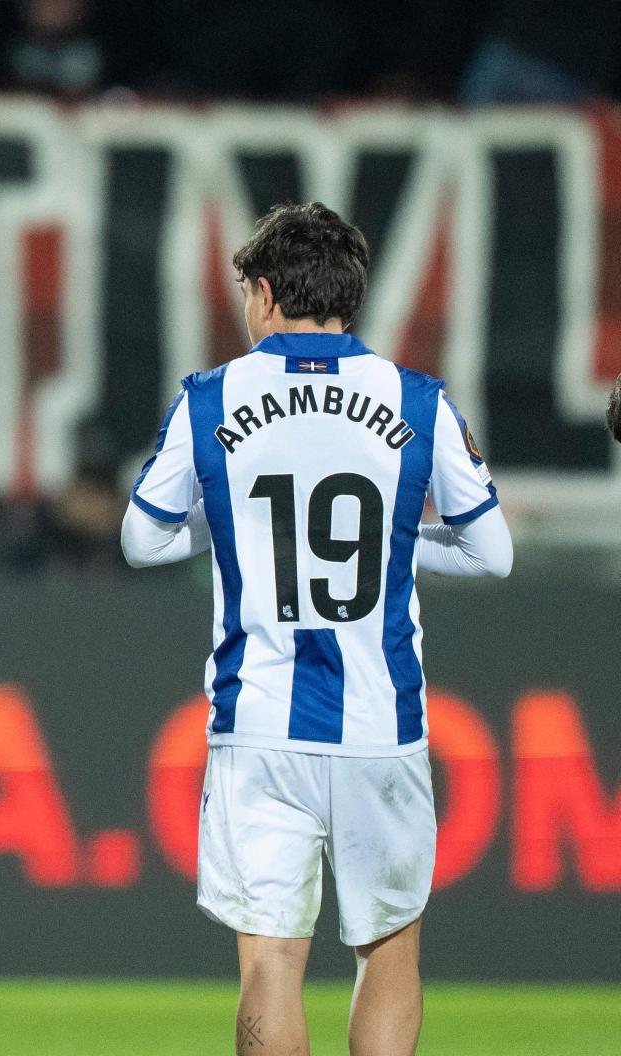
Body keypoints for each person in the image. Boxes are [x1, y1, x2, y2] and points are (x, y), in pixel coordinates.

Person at [122, 202, 513, 1056]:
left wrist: (241, 534)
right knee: (389, 950)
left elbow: (142, 538)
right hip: (382, 725)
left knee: (269, 961)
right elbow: (492, 555)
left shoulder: (213, 397)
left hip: (258, 724)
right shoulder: (419, 401)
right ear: (351, 298)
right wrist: (394, 549)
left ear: (264, 295)